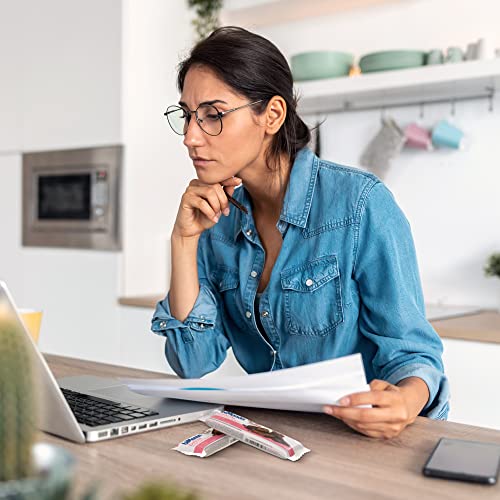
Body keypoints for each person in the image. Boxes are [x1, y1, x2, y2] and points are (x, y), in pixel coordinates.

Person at [151, 26, 450, 439]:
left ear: (272, 115)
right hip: (268, 439)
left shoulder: (360, 204)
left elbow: (413, 354)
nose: (190, 137)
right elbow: (192, 362)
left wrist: (405, 401)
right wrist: (183, 242)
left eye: (213, 115)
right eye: (187, 115)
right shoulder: (212, 218)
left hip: (359, 442)